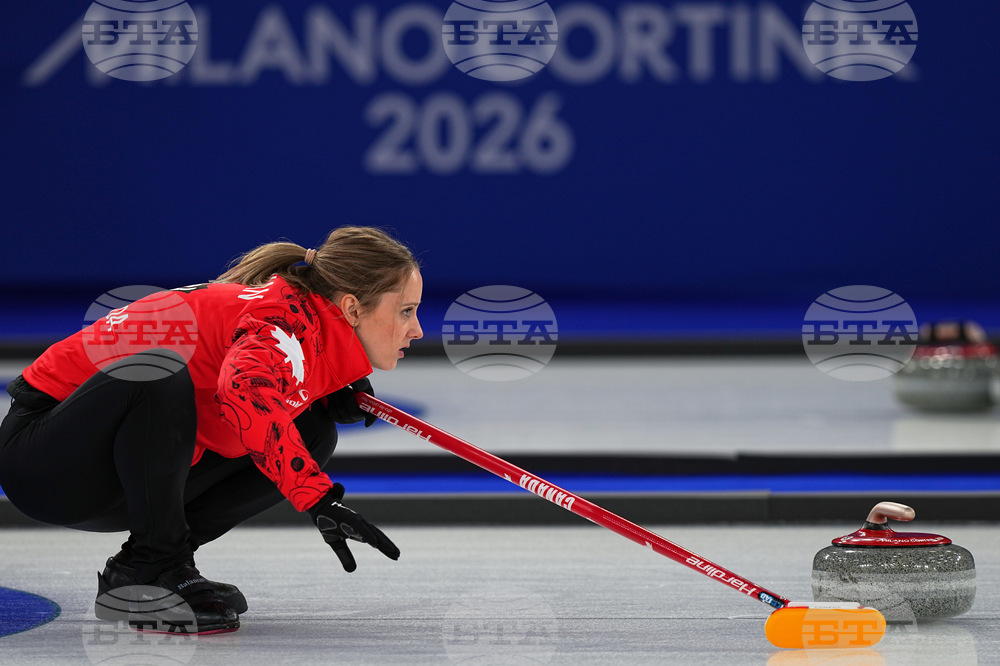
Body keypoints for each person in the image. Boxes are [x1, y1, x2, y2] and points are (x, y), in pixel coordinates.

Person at [0, 226, 423, 634]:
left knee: (313, 431)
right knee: (158, 375)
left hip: (101, 470)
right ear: (351, 308)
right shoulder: (276, 323)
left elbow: (258, 386)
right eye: (406, 311)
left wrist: (322, 391)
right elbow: (244, 393)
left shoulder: (302, 324)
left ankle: (140, 569)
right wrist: (317, 498)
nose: (417, 329)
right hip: (42, 461)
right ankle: (157, 563)